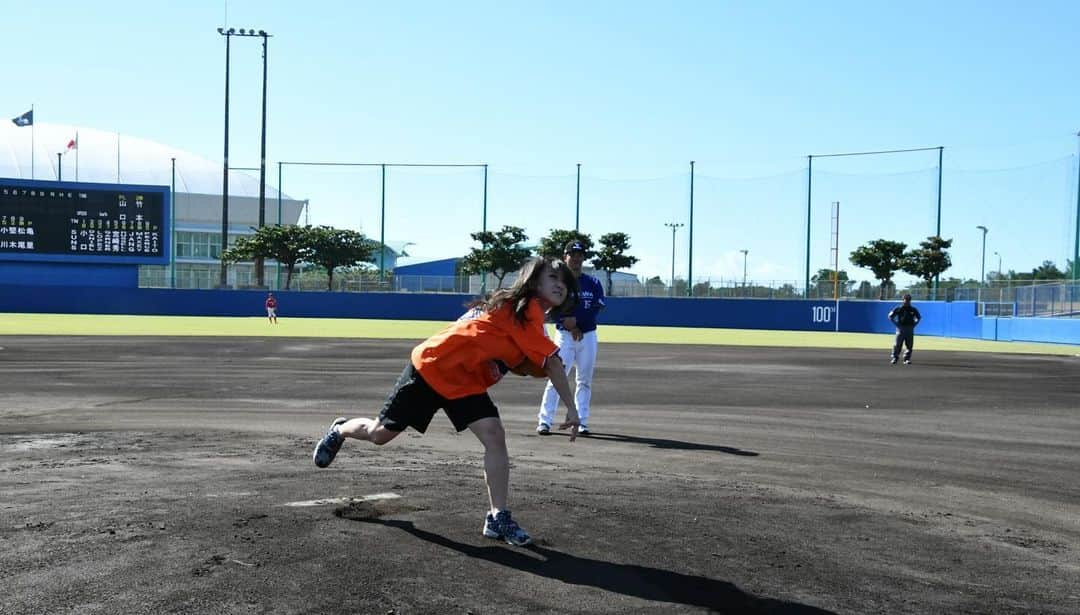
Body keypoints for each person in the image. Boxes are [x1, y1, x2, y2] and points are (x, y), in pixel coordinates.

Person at [311, 256, 582, 546]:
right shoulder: (523, 310)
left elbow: (519, 358)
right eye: (553, 278)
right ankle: (340, 429)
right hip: (433, 367)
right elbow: (553, 365)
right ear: (533, 281)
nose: (560, 284)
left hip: (466, 383)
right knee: (379, 434)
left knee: (494, 436)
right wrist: (572, 409)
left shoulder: (533, 324)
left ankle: (497, 516)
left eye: (564, 281)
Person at [537, 240, 606, 436]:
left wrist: (577, 324)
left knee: (584, 380)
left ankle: (582, 422)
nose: (576, 259)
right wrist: (567, 322)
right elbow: (550, 308)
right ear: (565, 257)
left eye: (580, 255)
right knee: (556, 377)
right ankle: (545, 421)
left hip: (588, 335)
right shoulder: (559, 282)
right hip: (564, 336)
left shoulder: (592, 282)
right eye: (572, 255)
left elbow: (596, 308)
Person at [888, 293, 921, 365]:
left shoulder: (913, 309)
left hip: (909, 328)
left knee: (909, 345)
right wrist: (896, 324)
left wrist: (914, 324)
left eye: (909, 300)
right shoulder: (898, 308)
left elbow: (918, 318)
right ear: (903, 300)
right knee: (897, 344)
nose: (907, 301)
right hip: (900, 328)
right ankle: (895, 358)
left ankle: (906, 359)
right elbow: (890, 316)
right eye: (906, 300)